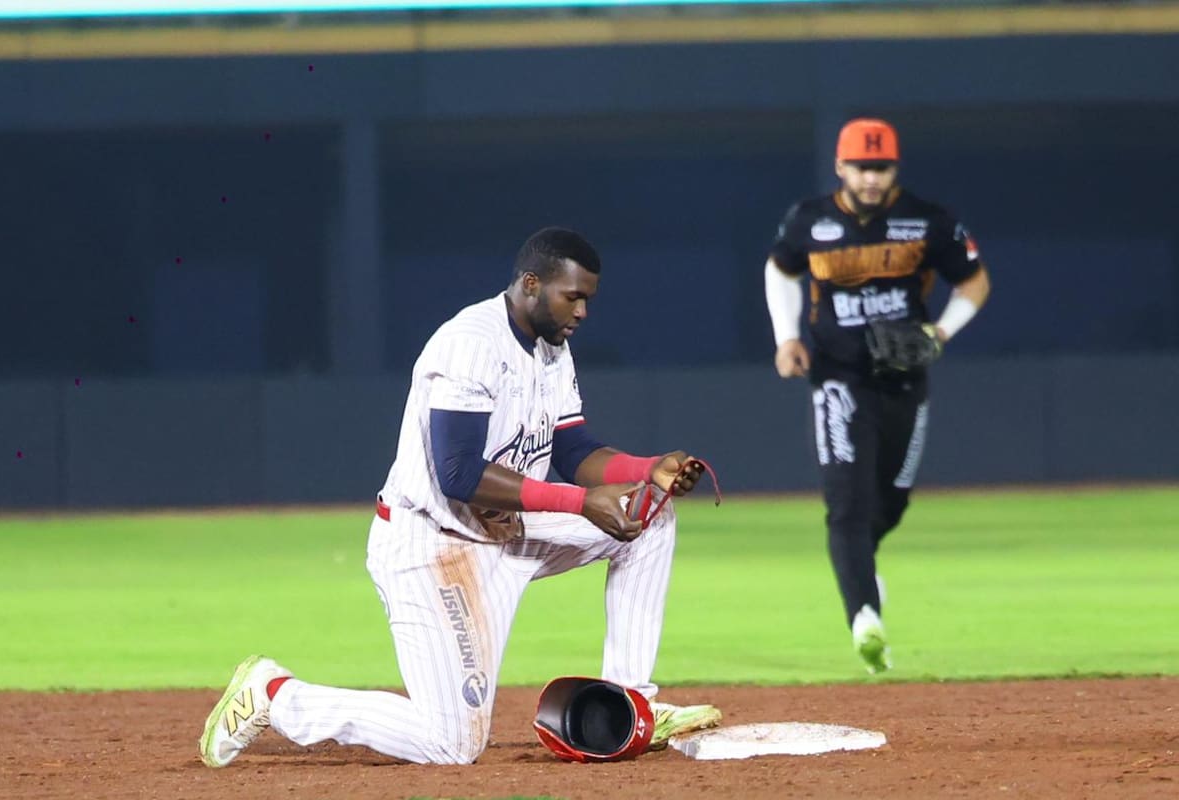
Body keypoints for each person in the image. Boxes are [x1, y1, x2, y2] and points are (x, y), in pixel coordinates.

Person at [200, 227, 722, 767]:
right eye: (574, 295)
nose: (583, 310)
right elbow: (459, 473)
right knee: (450, 744)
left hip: (506, 532)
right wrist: (579, 503)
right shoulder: (472, 343)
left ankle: (629, 704)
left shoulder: (551, 350)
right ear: (530, 283)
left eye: (588, 297)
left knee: (649, 519)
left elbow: (571, 448)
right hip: (433, 546)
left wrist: (646, 469)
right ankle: (276, 695)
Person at [764, 118, 991, 673]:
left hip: (904, 379)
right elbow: (780, 270)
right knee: (846, 504)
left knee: (891, 502)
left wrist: (940, 332)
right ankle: (864, 616)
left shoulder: (926, 221)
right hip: (838, 375)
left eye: (881, 167)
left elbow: (975, 281)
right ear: (841, 167)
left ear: (895, 169)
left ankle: (862, 572)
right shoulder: (809, 221)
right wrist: (787, 336)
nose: (871, 178)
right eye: (862, 167)